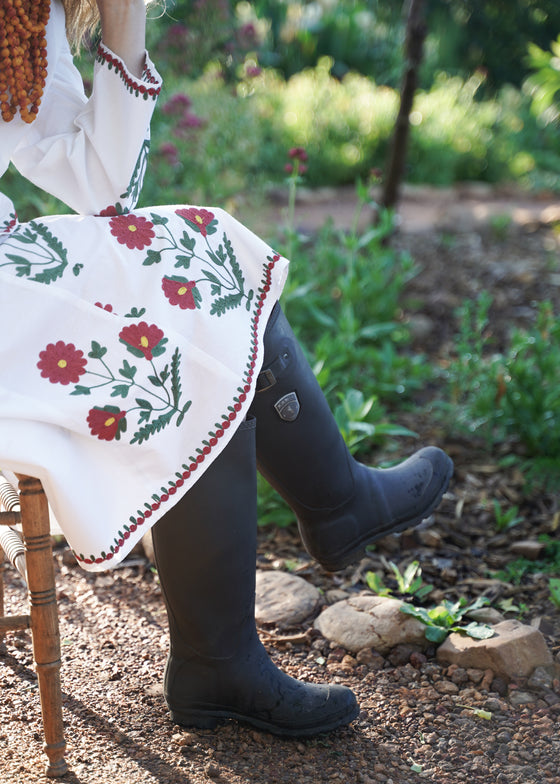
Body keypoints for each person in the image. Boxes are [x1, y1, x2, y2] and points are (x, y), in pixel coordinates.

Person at [0, 0, 453, 737]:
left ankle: (320, 527)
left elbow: (105, 191)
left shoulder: (22, 20)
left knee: (204, 246)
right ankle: (255, 614)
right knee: (174, 337)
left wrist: (125, 18)